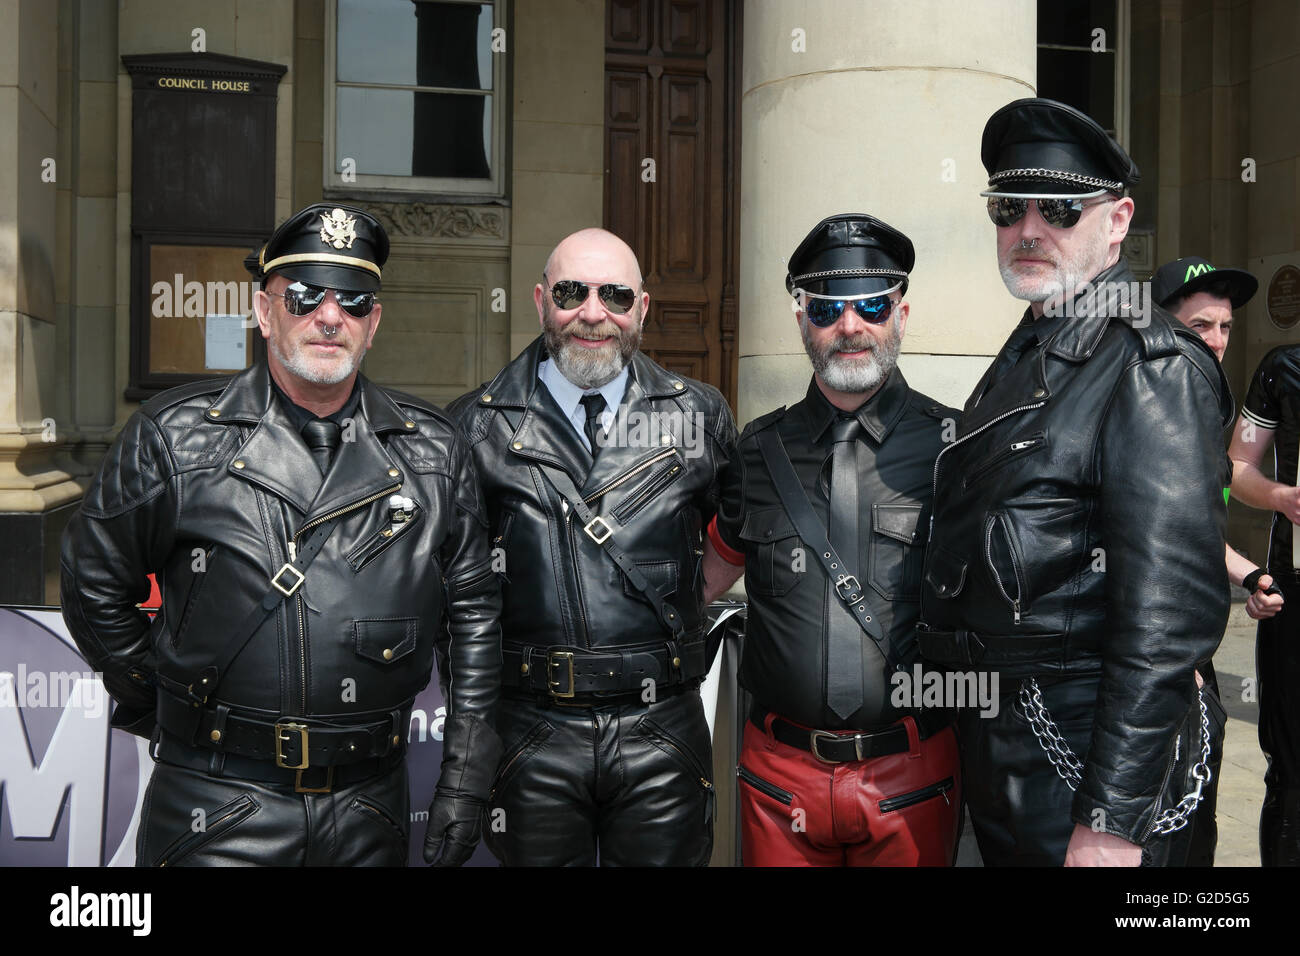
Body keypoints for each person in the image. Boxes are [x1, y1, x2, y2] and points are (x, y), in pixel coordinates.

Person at [60, 203, 503, 867]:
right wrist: (173, 706)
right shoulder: (174, 437)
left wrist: (466, 780)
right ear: (265, 312)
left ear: (373, 323)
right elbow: (94, 587)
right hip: (214, 803)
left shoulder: (435, 450)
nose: (330, 317)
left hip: (368, 804)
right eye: (302, 296)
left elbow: (472, 616)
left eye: (354, 301)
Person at [918, 98, 1234, 866]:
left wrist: (1113, 817)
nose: (1029, 229)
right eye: (1007, 207)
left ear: (1117, 221)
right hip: (1010, 748)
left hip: (1085, 759)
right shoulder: (1034, 346)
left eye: (1060, 208)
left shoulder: (1149, 364)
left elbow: (1169, 620)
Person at [448, 227, 738, 866]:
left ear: (642, 307)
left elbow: (736, 533)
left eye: (614, 294)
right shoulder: (476, 425)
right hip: (532, 732)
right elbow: (459, 587)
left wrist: (691, 590)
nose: (592, 313)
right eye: (572, 292)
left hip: (662, 731)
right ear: (540, 300)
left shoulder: (698, 415)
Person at [701, 214, 961, 866]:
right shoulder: (755, 451)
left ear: (901, 313)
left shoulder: (956, 446)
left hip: (912, 772)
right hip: (778, 778)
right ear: (800, 319)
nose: (850, 326)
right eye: (826, 307)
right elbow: (703, 578)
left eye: (871, 305)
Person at [1152, 255, 1284, 867]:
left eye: (1225, 327)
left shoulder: (1204, 410)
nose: (1217, 340)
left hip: (1193, 675)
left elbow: (1196, 531)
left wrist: (1250, 573)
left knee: (1193, 851)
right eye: (1200, 325)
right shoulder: (1141, 409)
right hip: (1151, 685)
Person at [1227, 341, 1300, 866]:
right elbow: (1237, 466)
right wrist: (1281, 497)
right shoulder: (1283, 368)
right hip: (1293, 593)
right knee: (1292, 766)